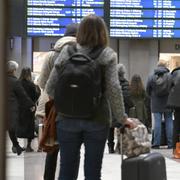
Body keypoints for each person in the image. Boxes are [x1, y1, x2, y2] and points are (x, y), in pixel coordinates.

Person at [45, 14, 135, 180]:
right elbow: (113, 89)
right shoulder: (107, 55)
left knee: (66, 170)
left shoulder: (67, 51)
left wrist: (67, 101)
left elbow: (50, 86)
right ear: (102, 33)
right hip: (97, 119)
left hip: (66, 119)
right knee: (93, 172)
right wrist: (122, 118)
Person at [36, 23, 79, 180]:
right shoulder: (83, 53)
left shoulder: (51, 55)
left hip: (53, 108)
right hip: (75, 108)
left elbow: (42, 84)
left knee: (52, 148)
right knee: (72, 152)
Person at [7, 61, 35, 155]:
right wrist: (32, 105)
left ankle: (17, 146)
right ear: (14, 70)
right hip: (12, 108)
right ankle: (17, 146)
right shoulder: (15, 82)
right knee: (11, 128)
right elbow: (23, 95)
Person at [146, 61, 173, 149]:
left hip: (156, 102)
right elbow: (173, 88)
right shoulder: (170, 76)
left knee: (157, 122)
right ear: (165, 66)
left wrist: (152, 96)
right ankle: (170, 143)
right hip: (168, 102)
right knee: (169, 121)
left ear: (157, 66)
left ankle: (156, 144)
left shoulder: (151, 76)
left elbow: (147, 90)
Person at [107, 63, 134, 153]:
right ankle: (120, 146)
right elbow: (126, 97)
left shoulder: (110, 82)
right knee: (122, 127)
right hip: (122, 109)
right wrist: (131, 105)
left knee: (110, 128)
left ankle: (110, 147)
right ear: (123, 73)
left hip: (111, 108)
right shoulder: (125, 83)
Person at [18, 67, 41, 152]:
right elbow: (35, 96)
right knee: (29, 126)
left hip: (19, 107)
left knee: (20, 124)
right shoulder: (31, 84)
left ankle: (16, 145)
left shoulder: (18, 83)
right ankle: (28, 146)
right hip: (30, 108)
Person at [167, 65, 180, 154]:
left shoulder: (175, 73)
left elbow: (169, 87)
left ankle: (176, 150)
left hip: (177, 103)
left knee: (176, 126)